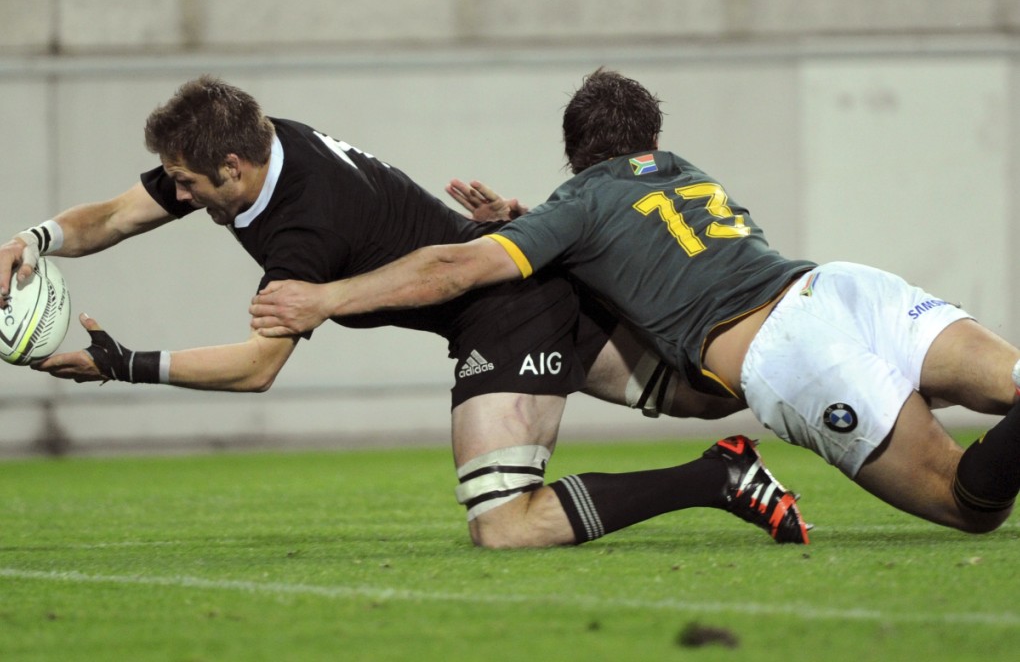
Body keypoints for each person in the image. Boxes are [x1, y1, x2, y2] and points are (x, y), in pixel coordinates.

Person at [0, 75, 811, 549]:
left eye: (184, 182)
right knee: (710, 388)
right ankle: (839, 393)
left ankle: (719, 474)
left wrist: (123, 364)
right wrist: (34, 239)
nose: (172, 195)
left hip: (503, 311)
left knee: (504, 522)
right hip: (523, 289)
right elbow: (113, 216)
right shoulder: (258, 143)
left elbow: (256, 370)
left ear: (234, 167)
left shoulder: (302, 225)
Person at [249, 67, 1020, 535]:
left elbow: (453, 268)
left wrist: (325, 298)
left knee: (970, 504)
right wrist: (530, 221)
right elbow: (637, 236)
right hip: (846, 287)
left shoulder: (579, 203)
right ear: (649, 134)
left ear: (573, 150)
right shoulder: (682, 169)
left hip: (792, 352)